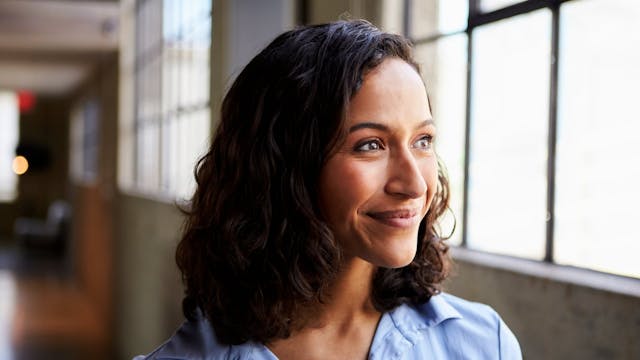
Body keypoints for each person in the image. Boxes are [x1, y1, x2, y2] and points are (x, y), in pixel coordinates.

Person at [135, 20, 522, 359]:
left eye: (423, 140)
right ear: (284, 165)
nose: (415, 184)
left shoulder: (485, 345)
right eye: (370, 145)